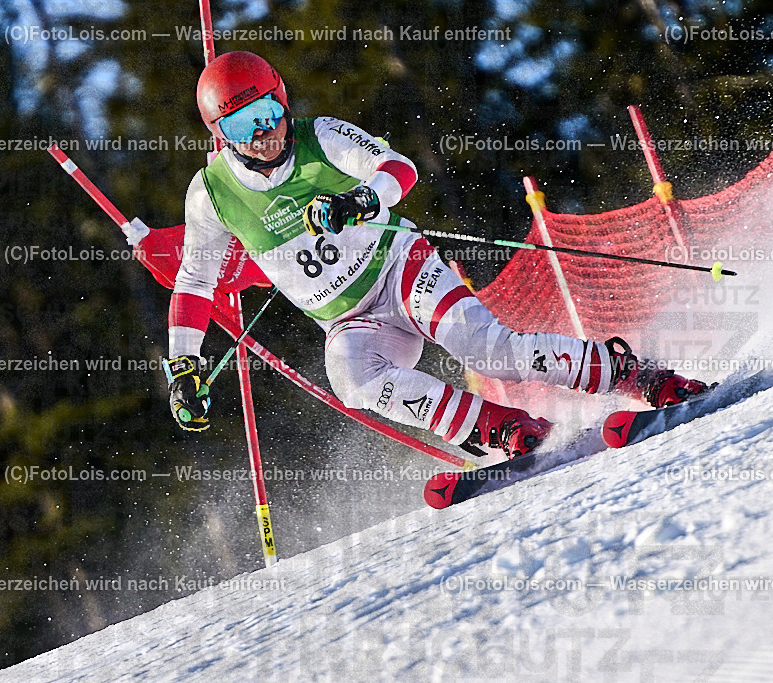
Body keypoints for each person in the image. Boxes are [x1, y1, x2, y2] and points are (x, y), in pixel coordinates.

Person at [159, 51, 706, 459]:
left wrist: (360, 200)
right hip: (348, 318)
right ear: (219, 135)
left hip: (398, 269)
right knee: (351, 379)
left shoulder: (320, 137)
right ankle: (504, 427)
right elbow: (194, 283)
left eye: (267, 112)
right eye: (240, 125)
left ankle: (636, 376)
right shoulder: (210, 194)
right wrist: (184, 364)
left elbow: (399, 167)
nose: (262, 133)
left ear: (282, 99)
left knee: (488, 351)